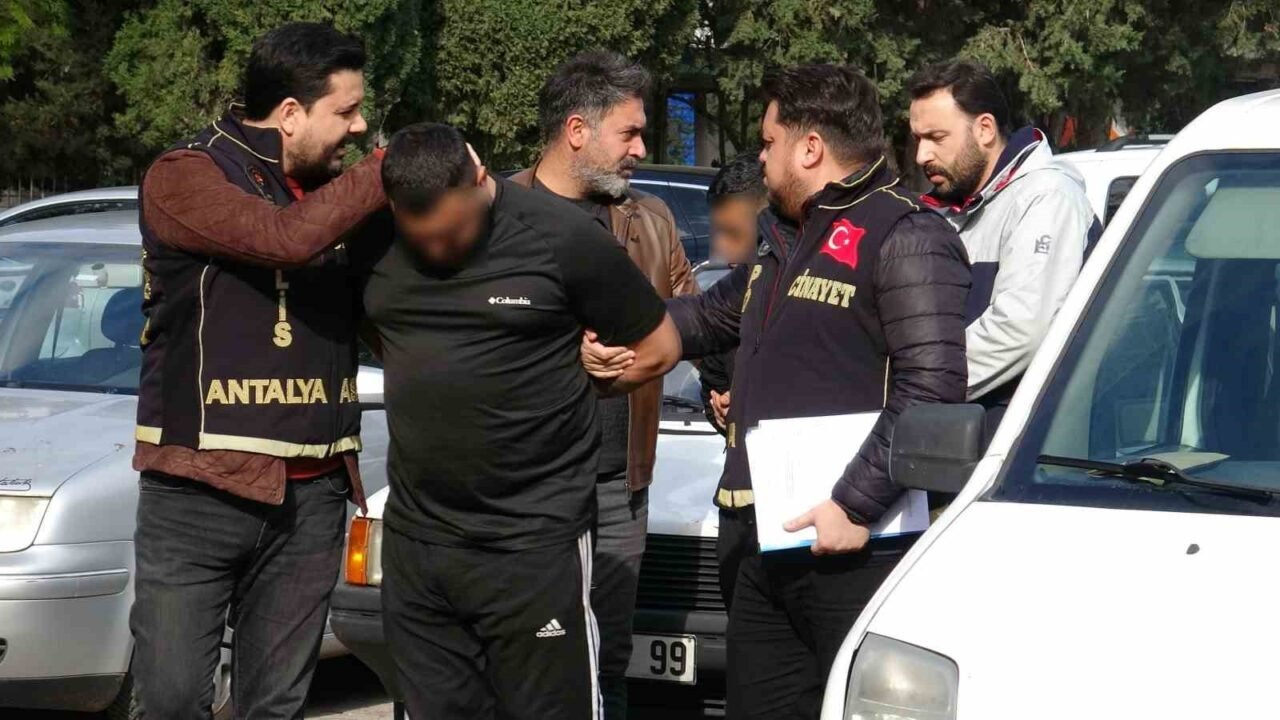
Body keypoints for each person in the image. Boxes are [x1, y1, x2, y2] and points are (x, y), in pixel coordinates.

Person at [585, 64, 971, 719]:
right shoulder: (784, 234)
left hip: (854, 549)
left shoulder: (906, 234)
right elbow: (709, 315)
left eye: (769, 143)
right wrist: (623, 333)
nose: (760, 159)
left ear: (810, 147)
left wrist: (854, 505)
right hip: (767, 543)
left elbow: (931, 390)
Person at [362, 123, 682, 720]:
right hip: (420, 546)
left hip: (534, 542)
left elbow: (660, 345)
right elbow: (381, 335)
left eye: (453, 231)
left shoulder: (561, 237)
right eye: (422, 238)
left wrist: (593, 383)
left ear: (480, 179)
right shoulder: (374, 243)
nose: (439, 250)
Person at [130, 22, 384, 718]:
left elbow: (395, 316)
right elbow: (283, 239)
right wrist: (386, 170)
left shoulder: (338, 196)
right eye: (346, 111)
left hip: (314, 497)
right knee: (173, 700)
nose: (360, 127)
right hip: (199, 489)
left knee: (275, 706)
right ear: (291, 113)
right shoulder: (186, 174)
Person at [507, 50, 697, 719]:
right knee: (529, 659)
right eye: (630, 133)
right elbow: (469, 334)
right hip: (525, 484)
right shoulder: (496, 214)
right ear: (577, 131)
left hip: (619, 483)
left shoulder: (651, 219)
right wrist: (568, 354)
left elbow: (694, 316)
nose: (641, 149)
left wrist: (724, 383)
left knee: (607, 661)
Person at [909, 60, 1099, 434]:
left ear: (984, 129)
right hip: (948, 437)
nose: (921, 155)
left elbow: (1020, 330)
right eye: (918, 139)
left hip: (1014, 444)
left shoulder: (1046, 197)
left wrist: (915, 387)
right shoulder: (944, 208)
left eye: (936, 137)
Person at [699, 153, 771, 441]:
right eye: (717, 231)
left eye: (733, 233)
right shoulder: (725, 300)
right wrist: (721, 408)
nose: (720, 246)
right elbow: (712, 380)